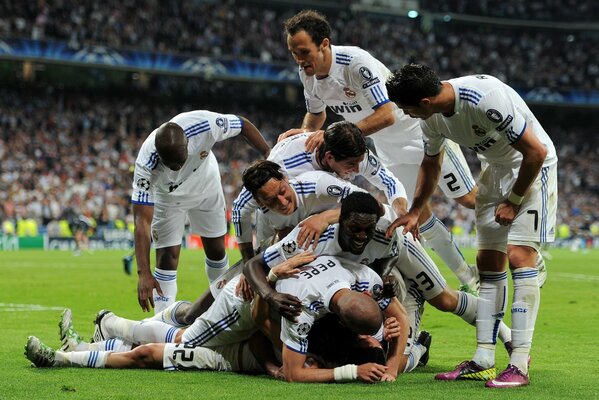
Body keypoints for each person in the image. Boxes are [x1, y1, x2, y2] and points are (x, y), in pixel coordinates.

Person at [279, 10, 479, 293]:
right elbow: (315, 117)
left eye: (303, 51)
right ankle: (468, 277)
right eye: (293, 52)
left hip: (420, 135)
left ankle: (515, 232)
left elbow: (387, 115)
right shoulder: (307, 74)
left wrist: (338, 134)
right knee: (416, 213)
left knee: (469, 199)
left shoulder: (356, 63)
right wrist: (304, 134)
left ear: (324, 44)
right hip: (388, 149)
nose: (299, 59)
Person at [385, 64, 558, 388]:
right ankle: (483, 359)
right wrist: (416, 209)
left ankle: (519, 363)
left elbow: (536, 151)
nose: (407, 115)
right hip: (494, 170)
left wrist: (515, 200)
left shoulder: (484, 99)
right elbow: (431, 163)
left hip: (531, 170)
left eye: (408, 109)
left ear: (425, 102)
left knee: (519, 256)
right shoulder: (433, 118)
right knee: (488, 263)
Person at [247, 191, 512, 372]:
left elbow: (388, 256)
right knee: (391, 365)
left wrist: (384, 281)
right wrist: (269, 293)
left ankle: (505, 333)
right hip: (353, 283)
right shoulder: (311, 236)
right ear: (340, 223)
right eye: (355, 230)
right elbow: (253, 264)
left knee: (444, 299)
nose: (362, 237)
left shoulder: (384, 232)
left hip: (397, 254)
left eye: (367, 230)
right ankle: (419, 348)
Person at [131, 110, 270, 314]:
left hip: (207, 186)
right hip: (169, 198)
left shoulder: (204, 125)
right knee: (167, 257)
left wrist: (269, 154)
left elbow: (242, 124)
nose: (177, 169)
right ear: (159, 156)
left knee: (216, 250)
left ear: (188, 143)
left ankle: (222, 310)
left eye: (181, 161)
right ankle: (162, 319)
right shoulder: (146, 164)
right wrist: (143, 273)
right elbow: (141, 221)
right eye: (171, 165)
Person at [232, 121, 408, 261]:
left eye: (358, 163)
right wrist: (248, 262)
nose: (356, 170)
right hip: (278, 217)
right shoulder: (283, 162)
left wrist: (402, 214)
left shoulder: (356, 155)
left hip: (322, 212)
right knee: (267, 260)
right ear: (329, 157)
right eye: (351, 165)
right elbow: (240, 208)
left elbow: (390, 182)